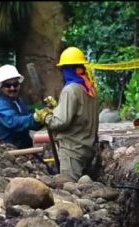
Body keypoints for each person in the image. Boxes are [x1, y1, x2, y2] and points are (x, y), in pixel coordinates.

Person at [35, 46, 100, 181]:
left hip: (72, 151)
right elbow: (80, 114)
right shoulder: (90, 88)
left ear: (66, 69)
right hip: (87, 149)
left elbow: (60, 122)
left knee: (72, 191)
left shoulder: (70, 90)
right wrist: (57, 107)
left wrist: (46, 116)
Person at [0, 64, 56, 174]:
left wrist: (44, 113)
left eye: (15, 84)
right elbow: (15, 123)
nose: (12, 88)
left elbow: (29, 122)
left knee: (49, 173)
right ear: (0, 87)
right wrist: (35, 118)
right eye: (8, 85)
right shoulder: (0, 107)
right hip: (11, 154)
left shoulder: (18, 102)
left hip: (25, 149)